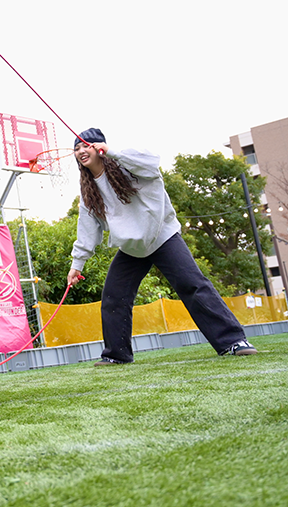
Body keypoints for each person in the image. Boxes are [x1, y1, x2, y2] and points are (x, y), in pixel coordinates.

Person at [66, 128, 257, 365]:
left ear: (100, 147)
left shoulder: (129, 166)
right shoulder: (88, 192)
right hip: (132, 249)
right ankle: (117, 355)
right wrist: (77, 265)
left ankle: (233, 342)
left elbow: (152, 162)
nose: (81, 151)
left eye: (86, 145)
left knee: (193, 285)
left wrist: (112, 151)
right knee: (114, 297)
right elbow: (87, 230)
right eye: (77, 148)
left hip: (162, 237)